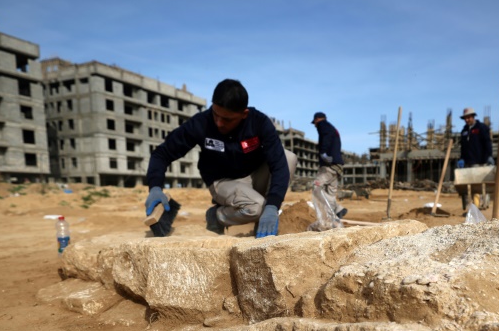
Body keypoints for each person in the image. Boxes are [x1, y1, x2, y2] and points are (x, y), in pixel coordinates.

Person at [145, 79, 297, 237]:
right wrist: (155, 187)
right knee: (256, 207)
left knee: (289, 158)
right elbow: (162, 154)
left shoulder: (259, 123)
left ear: (244, 114)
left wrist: (273, 206)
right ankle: (217, 216)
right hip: (223, 181)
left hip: (254, 175)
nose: (219, 123)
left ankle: (264, 221)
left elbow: (279, 165)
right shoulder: (201, 123)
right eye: (215, 114)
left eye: (227, 119)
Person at [456, 107, 494, 210]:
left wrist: (489, 156)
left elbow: (487, 143)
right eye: (465, 118)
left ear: (473, 117)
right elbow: (463, 147)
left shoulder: (481, 128)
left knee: (480, 185)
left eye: (468, 118)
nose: (466, 120)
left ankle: (482, 205)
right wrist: (461, 159)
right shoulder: (464, 130)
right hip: (468, 162)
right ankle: (475, 207)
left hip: (480, 161)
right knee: (471, 186)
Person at [311, 112, 347, 219]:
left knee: (316, 187)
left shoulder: (323, 125)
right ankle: (334, 215)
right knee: (330, 193)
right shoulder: (332, 128)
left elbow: (326, 137)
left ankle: (337, 209)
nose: (315, 125)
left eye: (315, 123)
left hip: (329, 165)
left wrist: (323, 152)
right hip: (337, 166)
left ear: (317, 119)